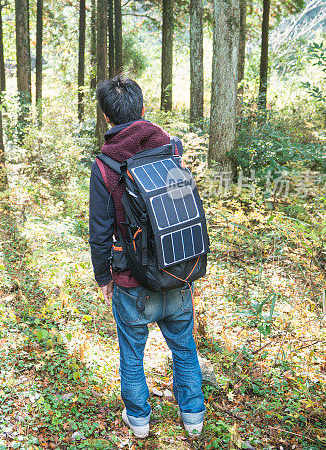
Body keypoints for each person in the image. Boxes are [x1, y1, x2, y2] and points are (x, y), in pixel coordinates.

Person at [88, 74, 205, 439]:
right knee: (184, 348)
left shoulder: (106, 166)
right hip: (177, 271)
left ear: (107, 118)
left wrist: (104, 278)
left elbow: (100, 231)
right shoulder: (170, 150)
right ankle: (194, 417)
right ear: (142, 110)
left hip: (131, 281)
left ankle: (138, 420)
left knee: (132, 354)